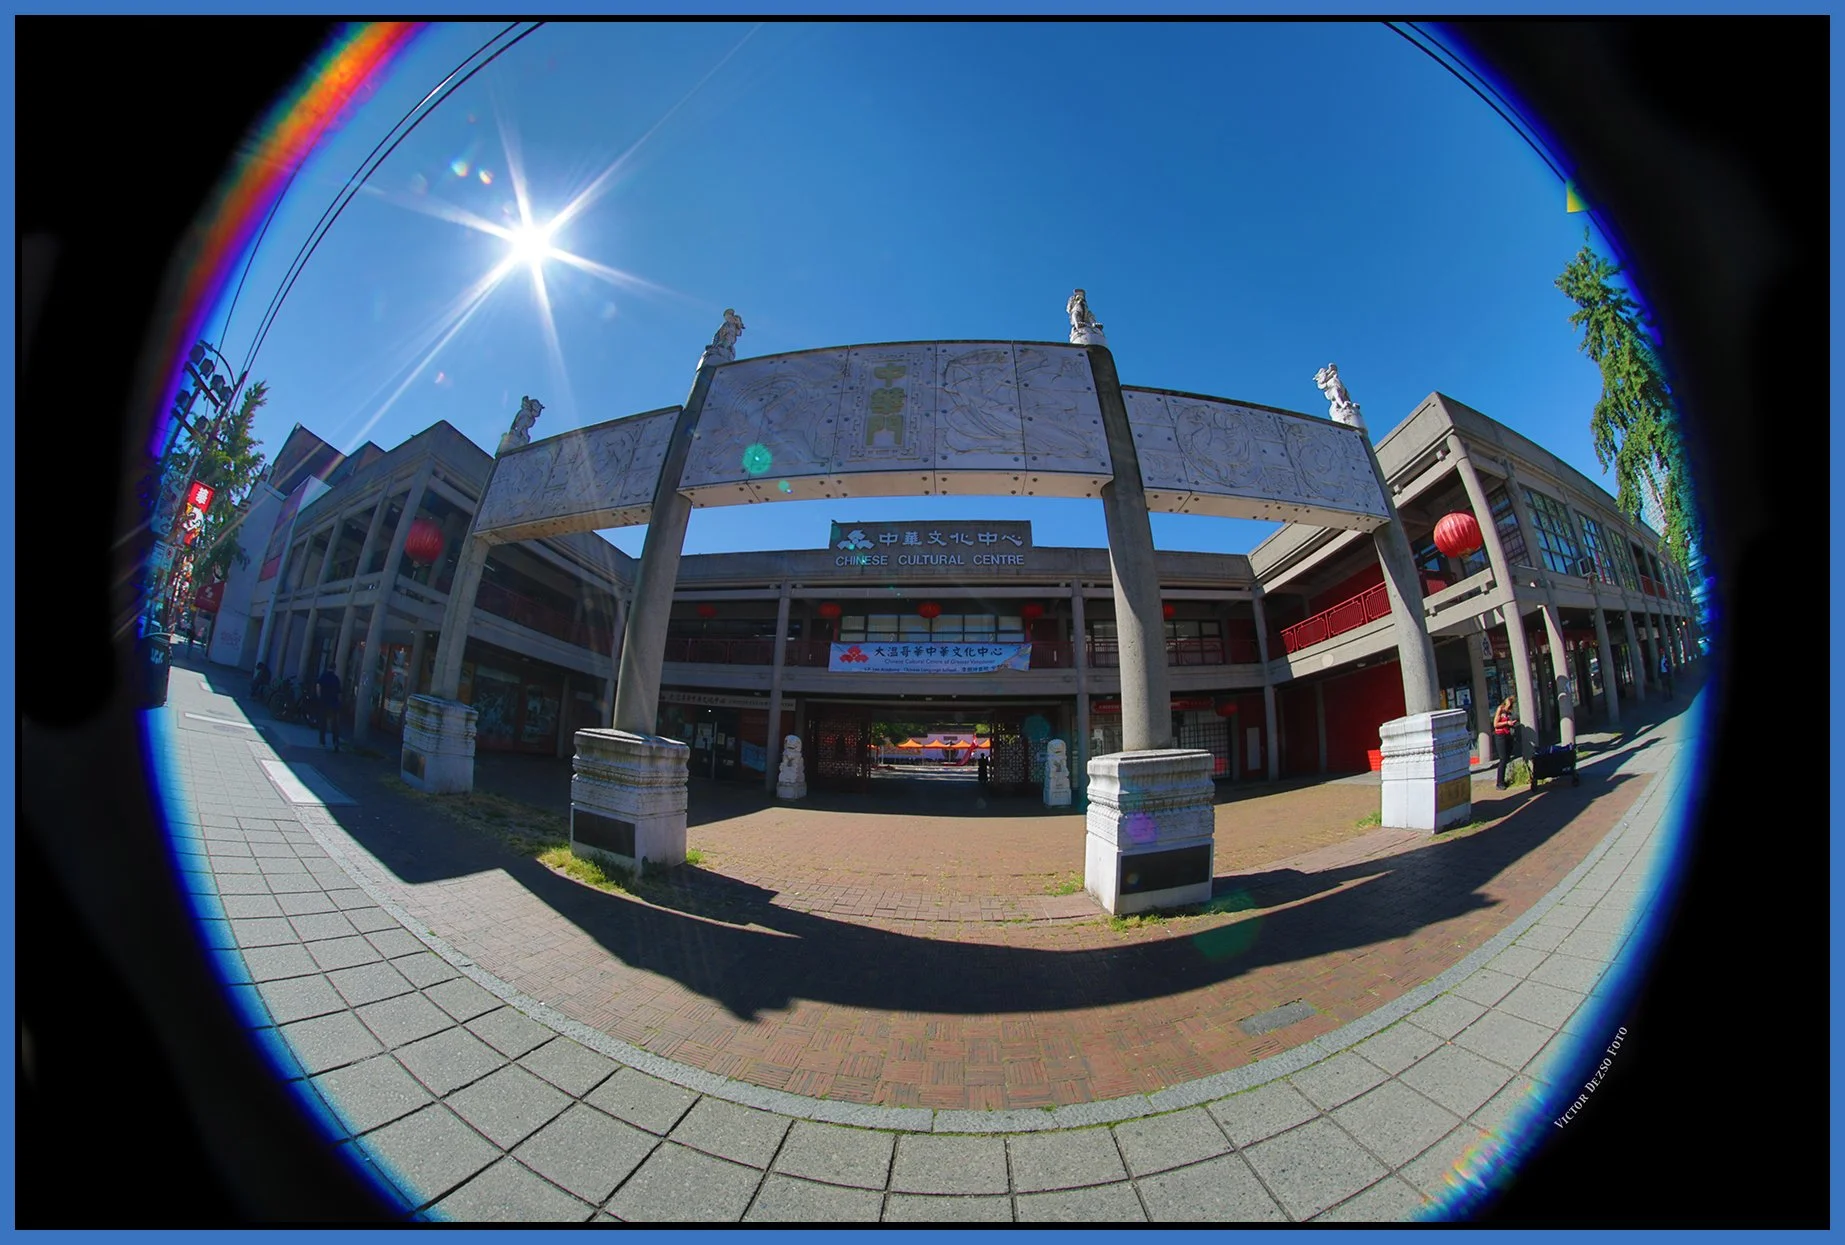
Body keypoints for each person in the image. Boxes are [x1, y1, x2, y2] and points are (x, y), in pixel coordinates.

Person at [1492, 695, 1518, 789]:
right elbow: (1495, 724)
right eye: (1508, 705)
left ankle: (1503, 780)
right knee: (1502, 758)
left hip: (1507, 734)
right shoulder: (1500, 709)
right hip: (1500, 735)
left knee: (1507, 757)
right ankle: (1499, 783)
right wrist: (1506, 723)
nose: (1509, 708)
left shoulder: (1508, 712)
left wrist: (1511, 723)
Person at [316, 666, 343, 752]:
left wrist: (319, 696)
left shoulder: (324, 676)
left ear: (328, 668)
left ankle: (322, 742)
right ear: (335, 669)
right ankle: (335, 742)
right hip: (334, 704)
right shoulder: (336, 679)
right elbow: (339, 692)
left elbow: (318, 686)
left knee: (323, 723)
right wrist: (338, 702)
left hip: (324, 702)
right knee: (334, 725)